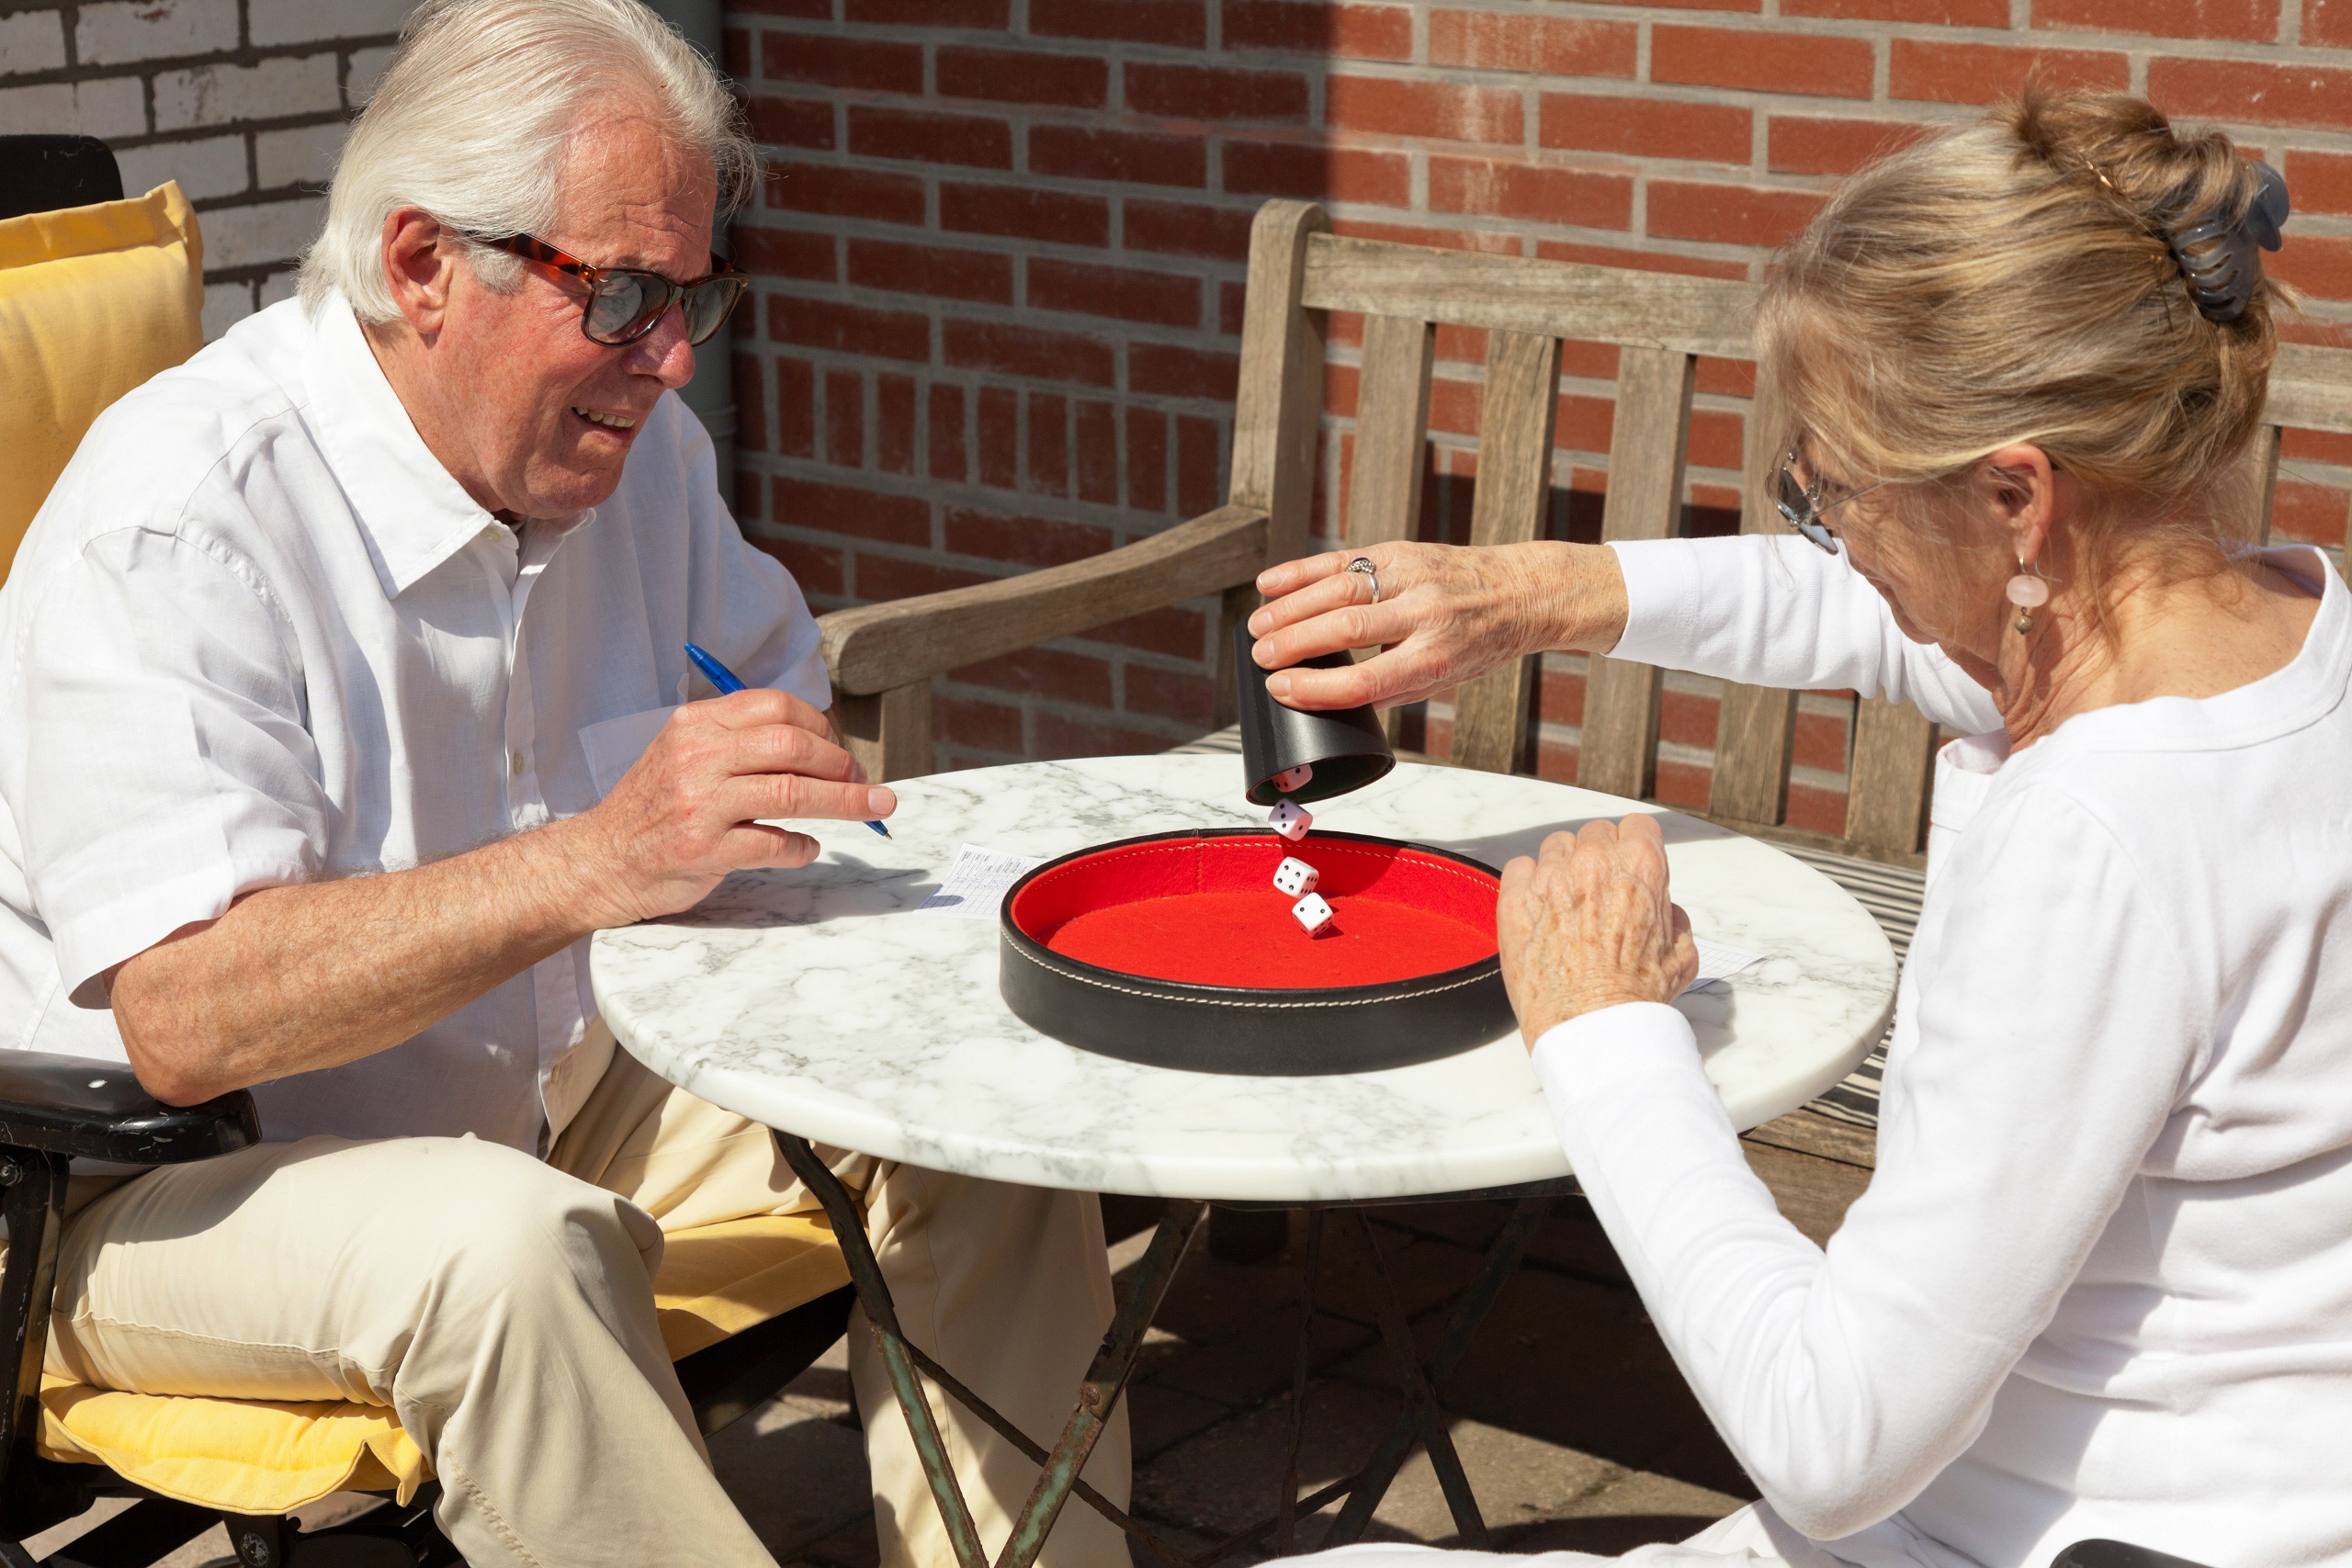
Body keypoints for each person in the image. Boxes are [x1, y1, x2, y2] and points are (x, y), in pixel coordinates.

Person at [0, 2, 1126, 1563]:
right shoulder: (185, 523)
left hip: (546, 1096)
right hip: (136, 1197)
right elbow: (185, 1018)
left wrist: (767, 788)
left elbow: (767, 697)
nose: (668, 359)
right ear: (420, 267)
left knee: (967, 1094)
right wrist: (597, 856)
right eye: (620, 295)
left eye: (690, 299)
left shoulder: (630, 449)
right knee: (508, 1254)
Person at [1252, 91, 2350, 1568]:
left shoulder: (2099, 835)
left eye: (1829, 491)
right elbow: (1900, 617)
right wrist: (1523, 593)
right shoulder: (2278, 629)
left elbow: (1831, 1441)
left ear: (2016, 497)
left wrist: (1603, 1032)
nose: (1824, 532)